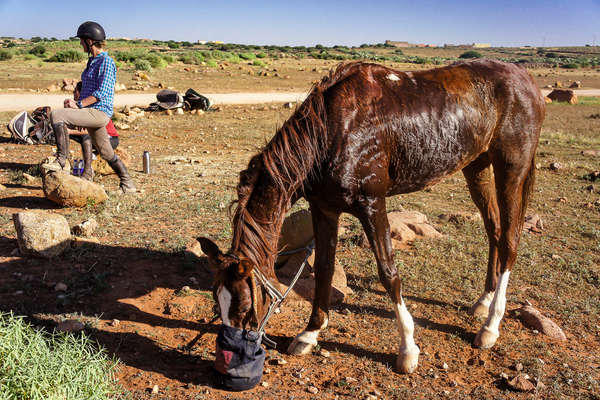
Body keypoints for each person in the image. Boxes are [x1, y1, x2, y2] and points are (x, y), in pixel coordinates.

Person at [46, 21, 135, 193]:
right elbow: (88, 90)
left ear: (90, 41)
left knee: (57, 115)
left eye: (82, 40)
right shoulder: (92, 62)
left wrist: (78, 105)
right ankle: (128, 184)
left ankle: (60, 160)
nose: (80, 44)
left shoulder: (107, 63)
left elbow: (101, 92)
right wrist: (76, 105)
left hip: (99, 112)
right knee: (107, 153)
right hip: (91, 112)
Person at [68, 81, 119, 181]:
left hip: (110, 139)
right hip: (98, 137)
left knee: (84, 137)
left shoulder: (91, 107)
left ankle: (88, 170)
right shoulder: (80, 107)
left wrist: (69, 131)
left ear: (81, 93)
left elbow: (87, 131)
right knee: (73, 134)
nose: (74, 94)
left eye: (75, 91)